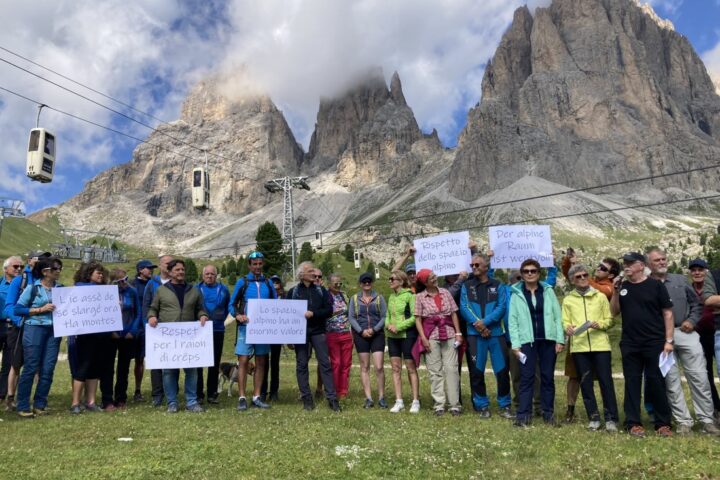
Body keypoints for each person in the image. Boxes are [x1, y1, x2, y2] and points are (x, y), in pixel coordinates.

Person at [647, 249, 719, 435]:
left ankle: (707, 420)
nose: (662, 262)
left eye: (664, 259)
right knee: (671, 381)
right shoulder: (646, 284)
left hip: (685, 332)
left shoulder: (680, 280)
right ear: (649, 264)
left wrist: (692, 321)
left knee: (699, 377)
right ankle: (683, 421)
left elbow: (697, 303)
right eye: (657, 260)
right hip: (662, 338)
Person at [610, 252, 674, 437]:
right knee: (632, 382)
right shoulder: (623, 287)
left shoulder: (655, 285)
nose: (626, 266)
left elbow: (668, 313)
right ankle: (633, 422)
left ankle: (663, 423)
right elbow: (614, 312)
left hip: (654, 342)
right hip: (630, 343)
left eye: (630, 263)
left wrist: (668, 341)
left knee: (656, 382)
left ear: (641, 265)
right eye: (625, 263)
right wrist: (615, 291)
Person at [561, 253, 620, 422]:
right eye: (578, 277)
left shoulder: (601, 295)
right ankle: (593, 418)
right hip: (579, 346)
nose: (582, 278)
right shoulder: (568, 300)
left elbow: (610, 320)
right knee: (585, 384)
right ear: (573, 280)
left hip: (600, 345)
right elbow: (564, 321)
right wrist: (567, 327)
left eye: (585, 275)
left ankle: (611, 419)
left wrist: (600, 325)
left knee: (605, 383)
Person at [147, 259, 209, 413]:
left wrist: (202, 316)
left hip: (189, 338)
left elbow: (201, 308)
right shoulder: (161, 290)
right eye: (177, 270)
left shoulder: (194, 290)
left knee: (192, 370)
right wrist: (151, 317)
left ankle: (191, 402)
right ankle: (172, 402)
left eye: (182, 269)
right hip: (168, 338)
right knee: (169, 371)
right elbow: (153, 308)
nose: (180, 272)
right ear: (170, 272)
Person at [509, 258, 564, 427]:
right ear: (522, 274)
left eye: (533, 271)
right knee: (527, 378)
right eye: (526, 271)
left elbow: (557, 316)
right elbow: (513, 321)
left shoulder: (547, 291)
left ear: (539, 273)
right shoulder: (516, 294)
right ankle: (523, 415)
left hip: (548, 341)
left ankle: (548, 414)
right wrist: (516, 345)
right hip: (527, 342)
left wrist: (560, 339)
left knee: (548, 378)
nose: (530, 274)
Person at [460, 254, 512, 418]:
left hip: (496, 334)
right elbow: (464, 307)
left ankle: (505, 405)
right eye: (472, 265)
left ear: (486, 268)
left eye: (477, 265)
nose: (473, 267)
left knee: (502, 371)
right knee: (476, 371)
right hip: (475, 335)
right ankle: (482, 405)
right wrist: (480, 326)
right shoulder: (466, 286)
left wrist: (486, 323)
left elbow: (501, 307)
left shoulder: (498, 285)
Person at [13, 257, 63, 418]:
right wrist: (40, 309)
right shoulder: (32, 288)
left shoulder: (61, 289)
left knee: (48, 368)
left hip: (54, 331)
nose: (59, 271)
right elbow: (18, 309)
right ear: (45, 272)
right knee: (31, 366)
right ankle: (23, 405)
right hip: (34, 328)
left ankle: (40, 404)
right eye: (55, 268)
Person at [287, 261, 340, 411]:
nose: (314, 274)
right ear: (302, 274)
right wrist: (289, 337)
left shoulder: (321, 291)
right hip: (300, 333)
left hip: (318, 332)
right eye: (311, 271)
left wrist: (314, 313)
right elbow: (287, 314)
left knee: (325, 363)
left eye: (315, 272)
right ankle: (306, 399)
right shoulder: (293, 292)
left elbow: (329, 310)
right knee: (302, 364)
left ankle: (332, 398)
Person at [2, 250, 51, 410]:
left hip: (40, 327)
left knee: (37, 364)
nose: (42, 261)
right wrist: (20, 321)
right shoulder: (20, 280)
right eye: (38, 259)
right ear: (30, 261)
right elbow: (10, 306)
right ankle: (10, 398)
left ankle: (36, 399)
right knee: (16, 363)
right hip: (20, 327)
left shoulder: (45, 279)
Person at [413, 268, 463, 416]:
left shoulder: (445, 292)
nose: (434, 279)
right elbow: (417, 319)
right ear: (425, 282)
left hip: (449, 333)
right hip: (431, 335)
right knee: (435, 371)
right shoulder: (420, 297)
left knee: (451, 369)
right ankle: (439, 404)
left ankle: (455, 404)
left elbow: (453, 313)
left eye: (434, 276)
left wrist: (458, 333)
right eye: (430, 278)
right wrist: (423, 338)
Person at [229, 252, 275, 411]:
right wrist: (238, 315)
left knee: (261, 362)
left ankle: (256, 396)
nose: (257, 267)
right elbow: (232, 304)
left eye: (260, 264)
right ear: (249, 265)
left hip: (263, 330)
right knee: (243, 361)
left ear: (263, 265)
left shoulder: (268, 283)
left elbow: (275, 305)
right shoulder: (243, 282)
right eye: (254, 264)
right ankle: (242, 397)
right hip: (245, 328)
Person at [71, 261, 114, 413]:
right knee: (83, 367)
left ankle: (91, 402)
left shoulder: (105, 291)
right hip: (86, 336)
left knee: (95, 369)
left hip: (102, 336)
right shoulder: (79, 288)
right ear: (89, 274)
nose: (101, 275)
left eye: (102, 273)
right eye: (98, 273)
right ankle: (75, 403)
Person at [348, 272, 387, 408]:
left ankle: (382, 397)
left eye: (369, 281)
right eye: (364, 282)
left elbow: (384, 316)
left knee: (379, 367)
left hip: (377, 334)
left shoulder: (379, 298)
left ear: (372, 283)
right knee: (364, 367)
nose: (366, 284)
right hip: (360, 335)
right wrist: (361, 331)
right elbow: (351, 317)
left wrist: (374, 329)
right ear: (360, 284)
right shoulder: (354, 299)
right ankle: (369, 398)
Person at [385, 270, 420, 413]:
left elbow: (414, 317)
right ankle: (399, 401)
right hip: (392, 336)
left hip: (407, 335)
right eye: (389, 279)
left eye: (392, 279)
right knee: (395, 368)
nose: (390, 281)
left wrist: (398, 327)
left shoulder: (410, 296)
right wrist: (388, 325)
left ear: (401, 280)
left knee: (411, 368)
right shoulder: (391, 296)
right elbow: (387, 314)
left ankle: (415, 401)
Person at [689, 258, 720, 418]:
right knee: (705, 373)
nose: (697, 273)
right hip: (698, 335)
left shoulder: (713, 286)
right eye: (693, 270)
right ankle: (715, 407)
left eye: (700, 269)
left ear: (706, 271)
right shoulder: (688, 289)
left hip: (715, 330)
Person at [196, 264, 229, 405]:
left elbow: (228, 308)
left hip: (217, 330)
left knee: (214, 363)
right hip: (199, 331)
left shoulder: (224, 290)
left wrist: (219, 317)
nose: (209, 276)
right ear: (203, 276)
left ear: (216, 276)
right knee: (198, 363)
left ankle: (212, 393)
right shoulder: (196, 290)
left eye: (212, 274)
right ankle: (198, 394)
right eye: (207, 274)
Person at [142, 255, 173, 407]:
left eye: (171, 264)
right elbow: (146, 305)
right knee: (156, 364)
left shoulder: (177, 283)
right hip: (154, 330)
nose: (169, 266)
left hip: (172, 329)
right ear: (160, 266)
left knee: (171, 362)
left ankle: (170, 392)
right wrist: (147, 322)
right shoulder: (151, 284)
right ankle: (157, 394)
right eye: (166, 264)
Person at [109, 269, 141, 409]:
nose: (123, 283)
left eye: (125, 279)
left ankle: (121, 398)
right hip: (112, 335)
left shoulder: (132, 291)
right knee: (108, 368)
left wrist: (133, 331)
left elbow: (138, 313)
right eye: (119, 281)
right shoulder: (108, 293)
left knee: (124, 367)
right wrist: (112, 331)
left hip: (127, 335)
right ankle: (108, 399)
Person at [130, 259, 157, 402]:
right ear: (140, 270)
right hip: (136, 328)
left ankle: (157, 390)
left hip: (152, 327)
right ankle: (137, 390)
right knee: (138, 360)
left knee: (154, 358)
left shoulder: (154, 285)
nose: (151, 270)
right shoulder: (132, 285)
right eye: (148, 268)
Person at [325, 274, 352, 399]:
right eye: (336, 284)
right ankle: (333, 390)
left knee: (346, 363)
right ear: (329, 284)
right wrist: (332, 312)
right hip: (332, 333)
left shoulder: (344, 295)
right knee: (336, 363)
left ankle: (343, 391)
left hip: (346, 333)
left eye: (340, 283)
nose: (338, 286)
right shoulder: (325, 296)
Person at [0, 256, 23, 403]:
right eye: (15, 266)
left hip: (13, 326)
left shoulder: (23, 285)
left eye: (21, 266)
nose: (19, 269)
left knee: (10, 362)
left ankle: (2, 395)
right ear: (5, 269)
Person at [261, 275, 285, 402]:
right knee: (263, 363)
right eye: (273, 282)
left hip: (277, 335)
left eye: (277, 282)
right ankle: (262, 391)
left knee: (275, 364)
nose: (275, 284)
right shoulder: (265, 296)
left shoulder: (284, 297)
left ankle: (274, 391)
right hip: (265, 334)